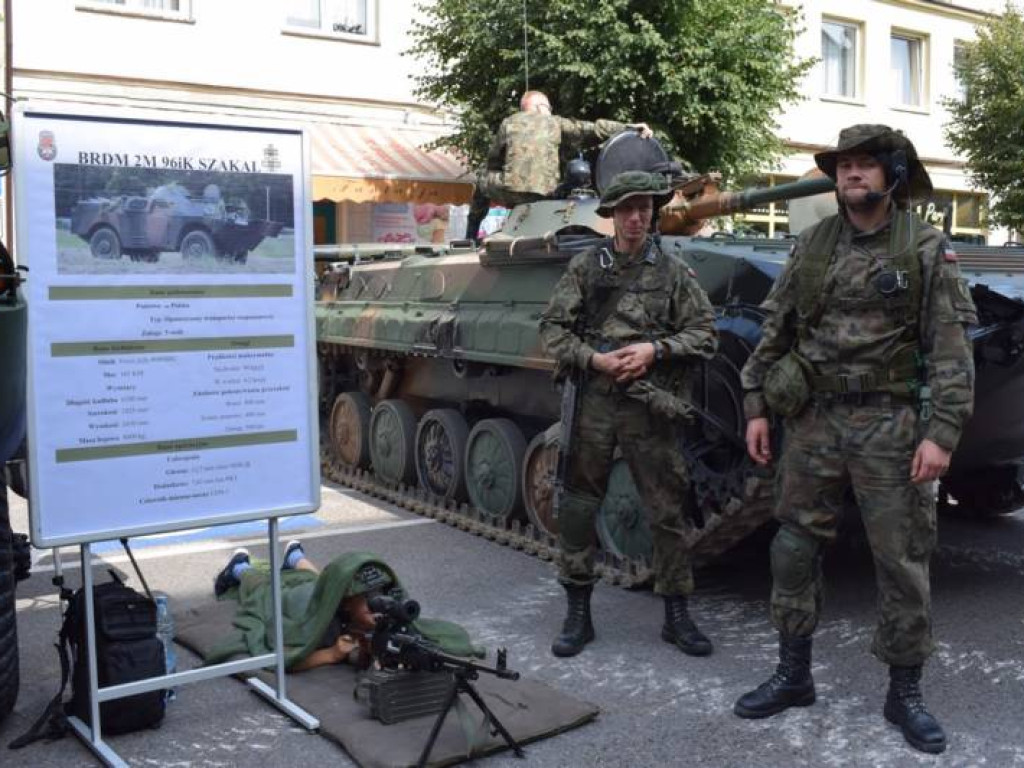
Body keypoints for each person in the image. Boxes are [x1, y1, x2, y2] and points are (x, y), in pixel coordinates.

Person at [733, 125, 977, 755]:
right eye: (844, 165)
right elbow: (776, 331)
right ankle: (793, 674)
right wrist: (756, 404)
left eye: (867, 165)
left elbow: (950, 352)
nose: (852, 174)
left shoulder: (923, 247)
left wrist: (942, 433)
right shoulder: (813, 244)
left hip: (891, 425)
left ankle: (905, 692)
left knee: (901, 558)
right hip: (812, 421)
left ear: (892, 174)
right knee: (792, 547)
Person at [538, 170, 718, 658]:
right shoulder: (587, 267)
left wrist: (654, 351)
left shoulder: (672, 270)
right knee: (578, 507)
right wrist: (593, 359)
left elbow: (705, 332)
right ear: (612, 215)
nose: (637, 217)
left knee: (667, 508)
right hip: (593, 400)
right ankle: (578, 612)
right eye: (627, 209)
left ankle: (676, 613)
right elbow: (552, 329)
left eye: (645, 208)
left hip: (648, 404)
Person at [207, 542, 482, 670]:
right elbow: (288, 659)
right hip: (296, 601)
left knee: (317, 579)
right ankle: (240, 566)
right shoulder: (323, 624)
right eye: (368, 603)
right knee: (266, 589)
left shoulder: (373, 608)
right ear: (345, 606)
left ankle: (295, 557)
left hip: (323, 590)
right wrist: (331, 654)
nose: (379, 611)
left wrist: (371, 652)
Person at [465, 90, 652, 240]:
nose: (550, 111)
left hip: (511, 190)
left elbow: (494, 159)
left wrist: (505, 175)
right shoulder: (555, 123)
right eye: (549, 107)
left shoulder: (509, 123)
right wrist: (628, 127)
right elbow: (591, 129)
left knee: (481, 177)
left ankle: (470, 235)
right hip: (546, 194)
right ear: (540, 107)